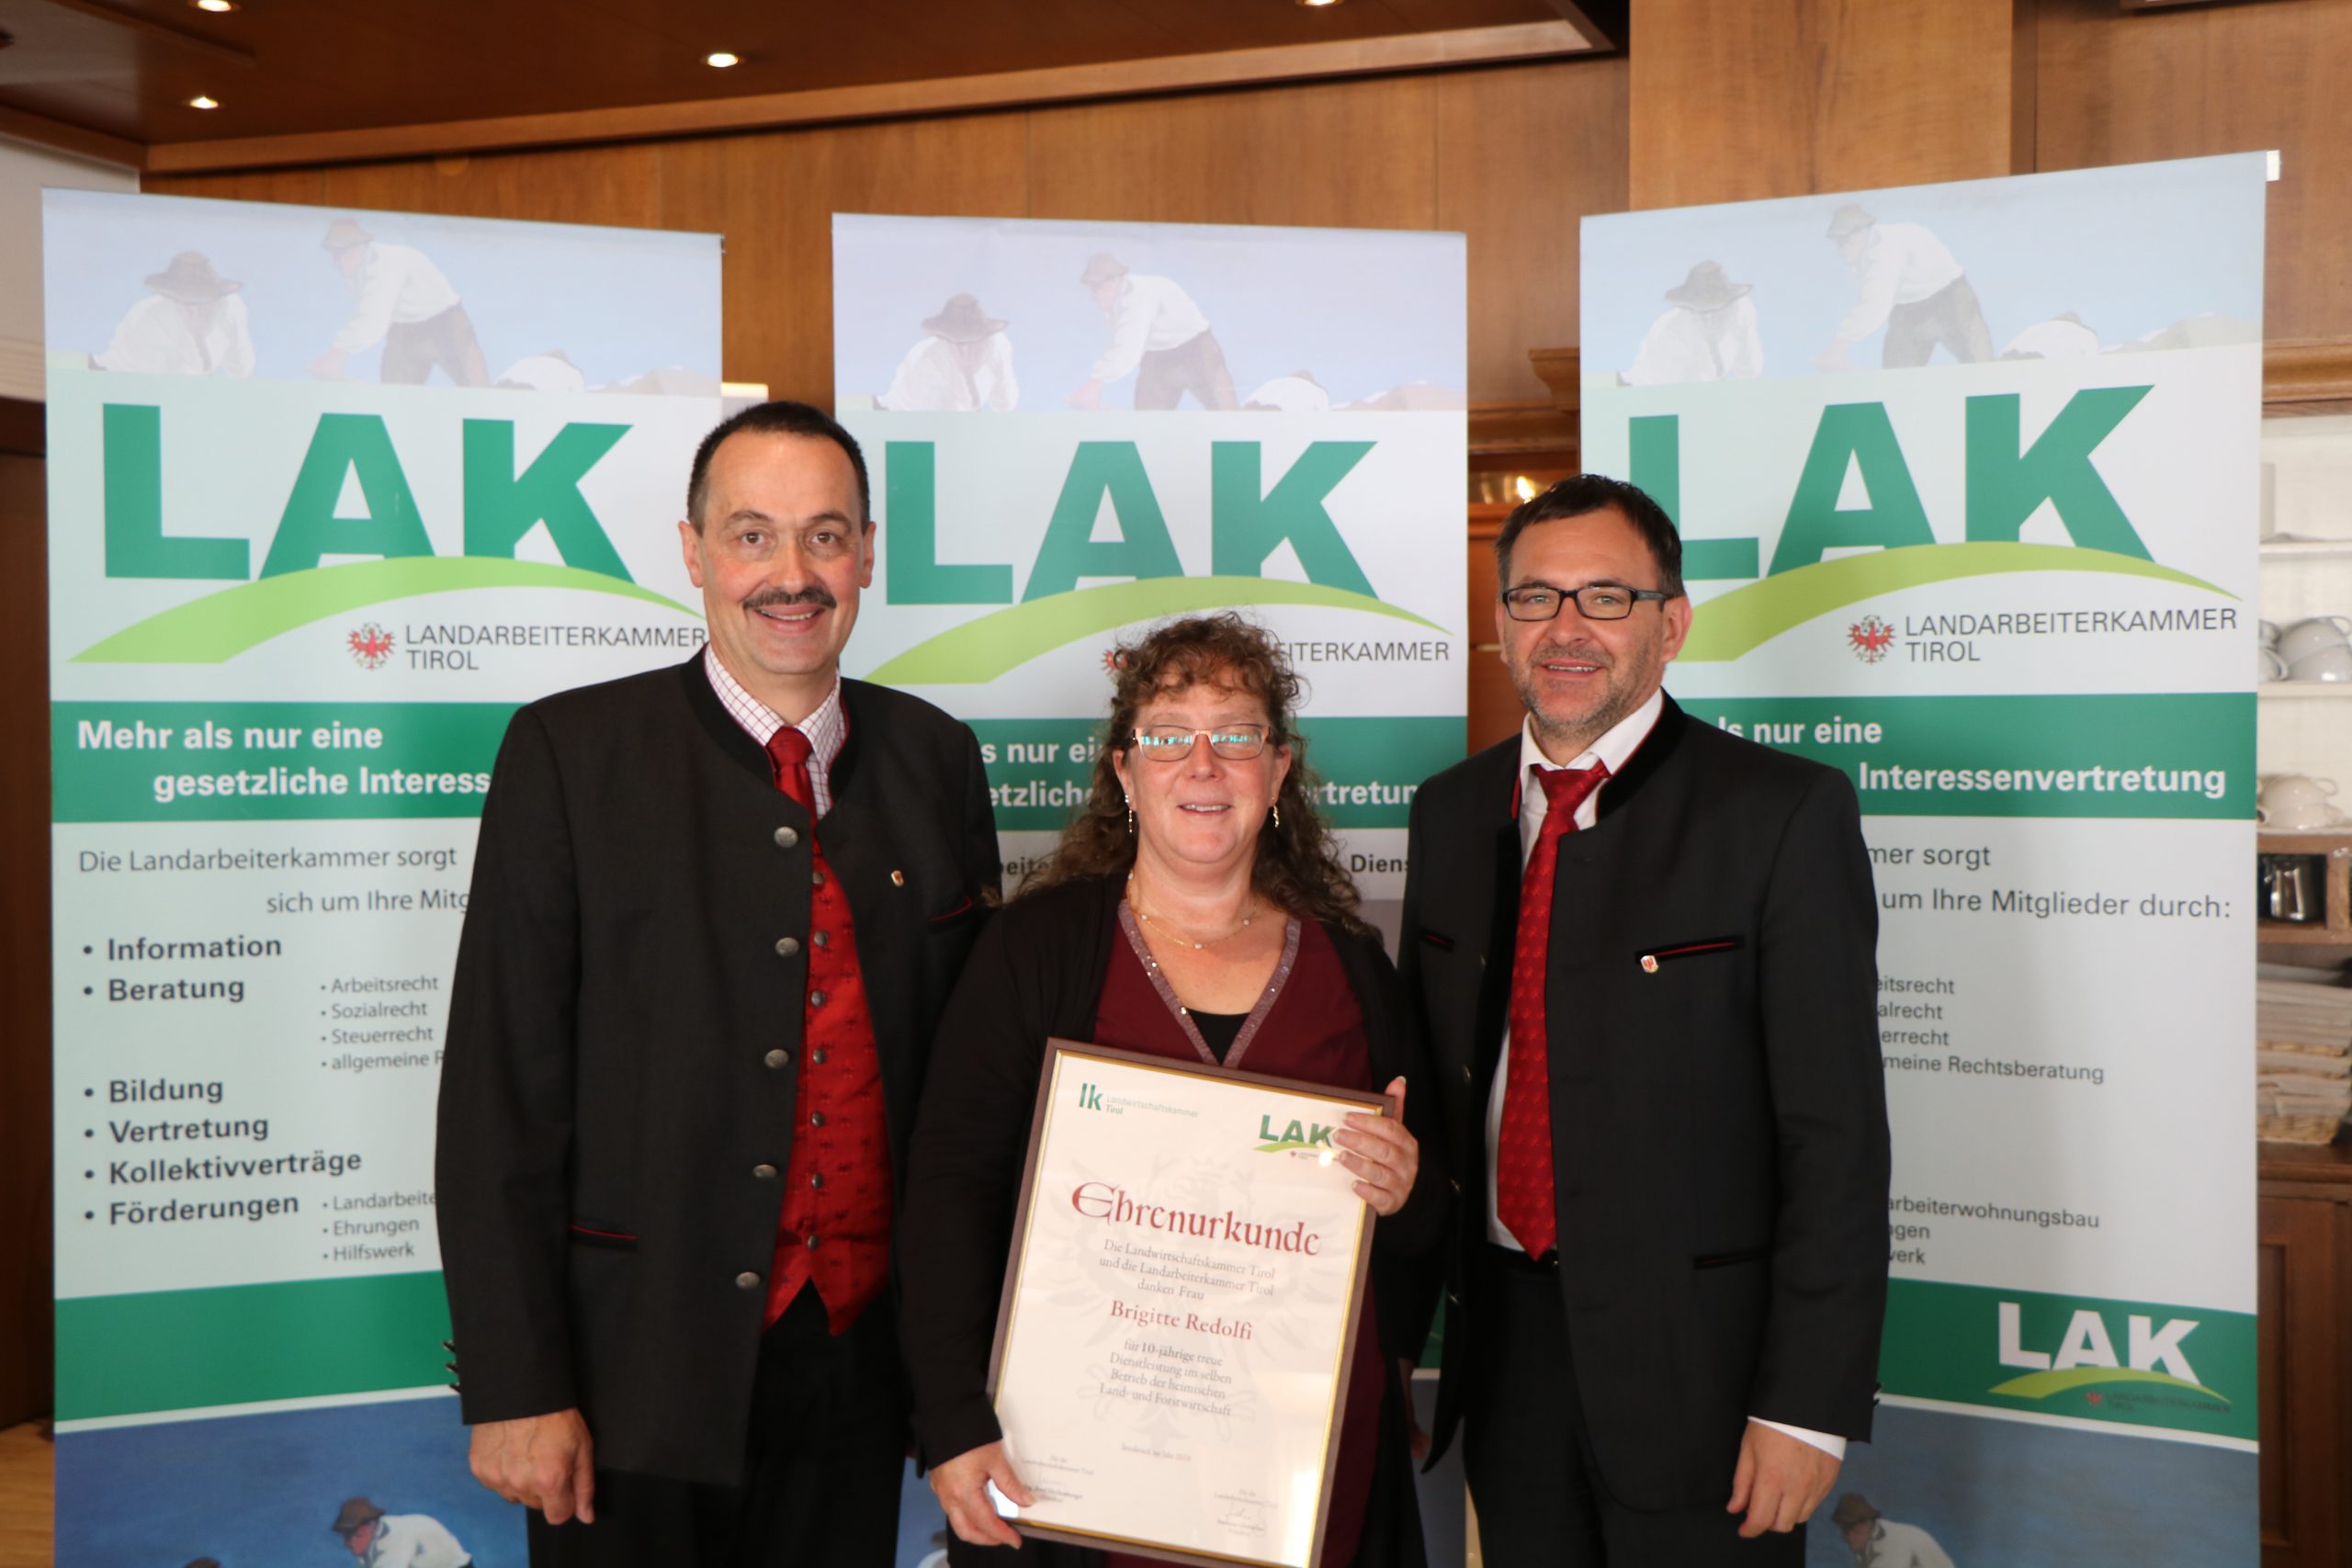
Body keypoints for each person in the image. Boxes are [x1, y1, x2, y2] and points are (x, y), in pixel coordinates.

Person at [435, 400, 1002, 1567]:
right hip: (628, 1371)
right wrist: (515, 1381)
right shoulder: (568, 755)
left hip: (859, 1363)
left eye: (825, 536)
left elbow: (966, 1088)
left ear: (866, 554)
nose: (792, 574)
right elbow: (499, 1093)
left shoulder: (937, 757)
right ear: (693, 553)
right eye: (752, 536)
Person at [1401, 474, 1889, 1564]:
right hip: (1505, 1356)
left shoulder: (1781, 814)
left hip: (1705, 1378)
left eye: (1606, 598)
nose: (1566, 628)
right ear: (1501, 625)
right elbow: (1427, 1105)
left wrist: (1806, 1404)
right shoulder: (1450, 811)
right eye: (1536, 598)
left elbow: (1836, 1139)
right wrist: (1384, 1340)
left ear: (1670, 625)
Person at [898, 614, 1445, 1566]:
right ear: (1124, 770)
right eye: (1167, 736)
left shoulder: (1354, 970)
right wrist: (950, 1418)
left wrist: (1406, 1189)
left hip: (1300, 1474)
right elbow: (950, 1191)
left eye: (1236, 734)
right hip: (1066, 1465)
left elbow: (1423, 1219)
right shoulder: (1037, 950)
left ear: (1278, 769)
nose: (1203, 764)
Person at [310, 218, 489, 387]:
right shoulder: (358, 274)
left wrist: (338, 352)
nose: (338, 261)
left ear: (359, 247)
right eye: (335, 255)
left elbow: (373, 319)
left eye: (342, 253)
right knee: (393, 395)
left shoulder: (385, 265)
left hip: (446, 324)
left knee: (477, 390)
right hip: (405, 332)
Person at [1814, 204, 1993, 371]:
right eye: (1839, 242)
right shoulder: (1862, 260)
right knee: (1896, 377)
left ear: (1863, 232)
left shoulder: (1885, 251)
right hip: (1908, 311)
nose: (1843, 248)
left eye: (1848, 240)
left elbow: (1875, 303)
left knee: (1982, 367)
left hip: (1951, 300)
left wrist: (1841, 344)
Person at [1069, 254, 1237, 412]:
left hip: (1198, 352)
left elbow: (1128, 348)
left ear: (1116, 280)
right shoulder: (1113, 308)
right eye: (1093, 289)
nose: (1096, 295)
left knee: (1227, 415)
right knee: (1147, 421)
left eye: (1100, 287)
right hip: (1157, 360)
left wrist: (1094, 385)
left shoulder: (1139, 297)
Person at [93, 252, 254, 378]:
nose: (197, 312)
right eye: (187, 303)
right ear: (174, 300)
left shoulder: (232, 309)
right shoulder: (148, 321)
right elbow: (153, 388)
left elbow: (242, 372)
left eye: (204, 301)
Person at [1623, 262, 1763, 386]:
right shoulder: (1669, 333)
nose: (1710, 322)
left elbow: (1750, 373)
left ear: (1730, 306)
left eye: (1717, 312)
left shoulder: (1743, 312)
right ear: (1690, 311)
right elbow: (1669, 394)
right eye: (1702, 314)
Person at [877, 294, 1020, 412]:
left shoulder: (999, 348)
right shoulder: (927, 363)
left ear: (987, 339)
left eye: (974, 343)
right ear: (946, 341)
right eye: (958, 345)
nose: (967, 354)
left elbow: (1008, 408)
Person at [329, 1497, 470, 1567]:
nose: (348, 1543)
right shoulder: (367, 1548)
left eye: (356, 1535)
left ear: (371, 1527)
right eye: (346, 1536)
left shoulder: (396, 1538)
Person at [1831, 1495, 1955, 1568]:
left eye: (1851, 1530)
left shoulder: (1893, 1542)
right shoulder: (1867, 1550)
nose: (1846, 1537)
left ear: (1867, 1525)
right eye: (1844, 1530)